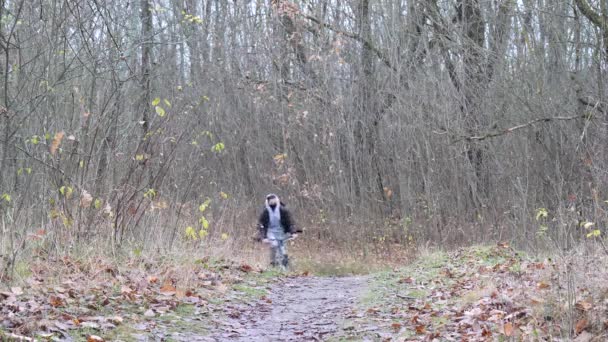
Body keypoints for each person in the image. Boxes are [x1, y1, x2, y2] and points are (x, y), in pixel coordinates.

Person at [257, 194, 300, 267]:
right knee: (274, 245)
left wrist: (293, 232)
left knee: (282, 248)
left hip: (282, 231)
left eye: (274, 200)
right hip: (270, 231)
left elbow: (290, 222)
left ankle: (284, 264)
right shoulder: (265, 212)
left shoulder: (283, 210)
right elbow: (261, 225)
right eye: (270, 200)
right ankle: (273, 262)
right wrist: (263, 237)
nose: (272, 202)